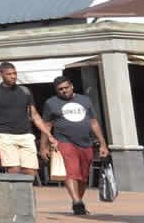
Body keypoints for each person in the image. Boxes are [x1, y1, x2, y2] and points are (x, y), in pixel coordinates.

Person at [40, 76, 109, 217]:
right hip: (64, 141)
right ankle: (77, 202)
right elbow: (46, 126)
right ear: (56, 91)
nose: (64, 91)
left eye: (66, 88)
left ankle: (78, 201)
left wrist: (103, 143)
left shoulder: (85, 100)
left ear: (72, 86)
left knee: (83, 177)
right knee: (71, 172)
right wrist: (43, 147)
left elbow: (94, 123)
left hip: (86, 142)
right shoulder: (51, 103)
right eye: (60, 89)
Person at [0, 62, 52, 178]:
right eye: (9, 74)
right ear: (1, 75)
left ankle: (26, 195)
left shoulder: (25, 91)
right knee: (14, 169)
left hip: (26, 134)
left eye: (14, 73)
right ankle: (13, 195)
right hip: (5, 135)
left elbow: (35, 115)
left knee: (31, 171)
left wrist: (49, 135)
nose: (13, 76)